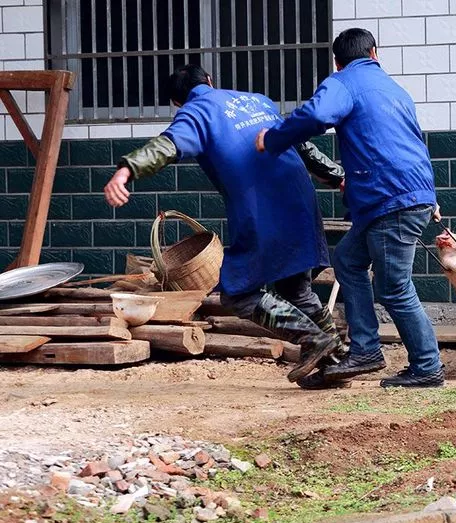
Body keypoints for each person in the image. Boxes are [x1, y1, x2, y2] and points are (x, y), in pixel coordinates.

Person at [103, 65, 346, 386]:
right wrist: (338, 176)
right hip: (301, 197)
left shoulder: (196, 112)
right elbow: (302, 145)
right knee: (295, 288)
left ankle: (316, 341)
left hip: (263, 208)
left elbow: (167, 146)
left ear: (177, 102)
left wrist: (126, 170)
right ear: (210, 81)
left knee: (238, 294)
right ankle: (338, 363)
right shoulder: (256, 101)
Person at [256, 27, 444, 389]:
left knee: (394, 287)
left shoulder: (343, 82)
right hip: (400, 194)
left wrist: (274, 137)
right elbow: (403, 144)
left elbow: (315, 117)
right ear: (375, 52)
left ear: (337, 60)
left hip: (390, 200)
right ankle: (366, 348)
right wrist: (425, 196)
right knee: (348, 260)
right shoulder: (395, 89)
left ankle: (427, 366)